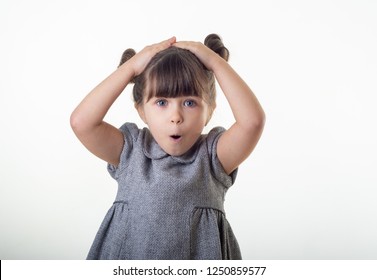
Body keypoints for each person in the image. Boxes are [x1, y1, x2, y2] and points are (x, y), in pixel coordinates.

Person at [70, 34, 265, 260]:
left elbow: (252, 122)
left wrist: (214, 62)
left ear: (210, 110)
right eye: (162, 102)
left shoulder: (213, 158)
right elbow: (81, 122)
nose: (176, 116)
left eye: (190, 102)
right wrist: (131, 68)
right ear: (141, 110)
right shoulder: (131, 151)